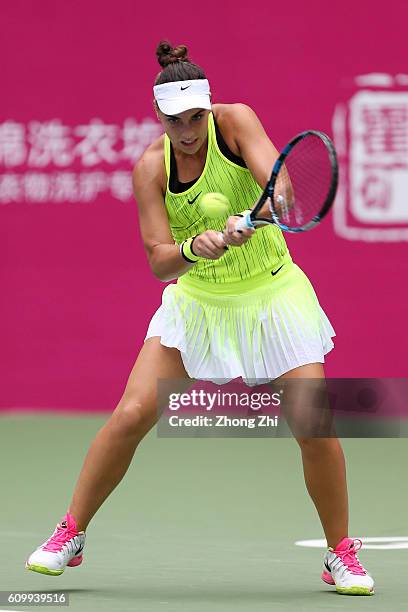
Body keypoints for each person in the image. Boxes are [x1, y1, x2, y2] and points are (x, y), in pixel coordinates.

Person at [25, 40, 375, 596]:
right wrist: (196, 249)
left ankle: (340, 554)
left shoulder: (235, 123)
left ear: (208, 109)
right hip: (198, 304)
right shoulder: (150, 169)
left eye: (195, 118)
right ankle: (71, 532)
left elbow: (280, 188)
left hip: (273, 297)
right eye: (175, 121)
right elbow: (158, 260)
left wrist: (252, 215)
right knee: (134, 411)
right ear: (157, 118)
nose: (187, 130)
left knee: (315, 426)